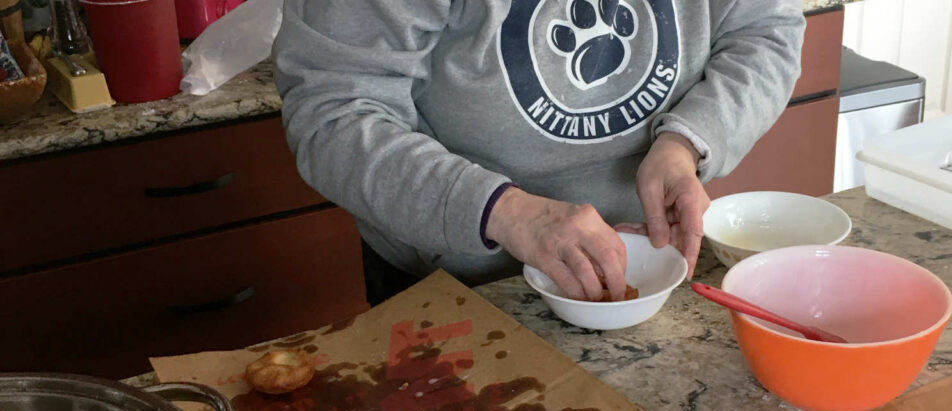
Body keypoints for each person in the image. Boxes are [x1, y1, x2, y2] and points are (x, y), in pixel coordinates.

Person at [274, 0, 805, 305]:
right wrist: (507, 213)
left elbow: (764, 31)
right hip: (461, 278)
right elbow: (334, 111)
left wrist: (685, 141)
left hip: (656, 259)